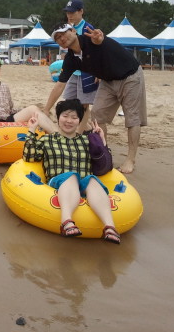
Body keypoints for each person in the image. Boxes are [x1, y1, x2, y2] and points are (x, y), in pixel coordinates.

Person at [44, 23, 147, 174]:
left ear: (73, 31)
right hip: (107, 80)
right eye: (58, 38)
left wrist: (99, 39)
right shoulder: (71, 59)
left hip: (130, 75)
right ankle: (105, 152)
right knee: (97, 115)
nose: (62, 38)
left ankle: (130, 159)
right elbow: (60, 85)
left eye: (64, 33)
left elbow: (99, 40)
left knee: (132, 118)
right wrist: (46, 109)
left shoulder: (91, 39)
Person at [23, 99, 121, 244]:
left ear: (79, 121)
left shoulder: (87, 141)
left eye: (74, 117)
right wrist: (32, 130)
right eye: (65, 116)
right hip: (59, 182)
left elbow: (105, 166)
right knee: (71, 176)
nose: (69, 121)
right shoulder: (47, 139)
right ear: (58, 118)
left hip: (83, 183)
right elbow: (29, 157)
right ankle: (66, 222)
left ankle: (110, 227)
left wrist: (102, 142)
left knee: (92, 180)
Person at [48, 0, 98, 125]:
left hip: (87, 72)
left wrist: (98, 72)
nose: (69, 15)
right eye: (67, 13)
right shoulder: (68, 28)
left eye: (72, 12)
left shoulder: (87, 28)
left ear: (81, 11)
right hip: (74, 71)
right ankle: (81, 127)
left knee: (84, 105)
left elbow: (96, 51)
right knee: (69, 101)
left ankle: (82, 130)